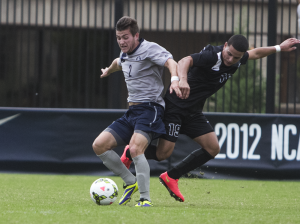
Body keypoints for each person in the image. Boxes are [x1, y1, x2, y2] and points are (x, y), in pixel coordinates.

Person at [120, 35, 300, 202]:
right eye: (229, 54)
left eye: (236, 57)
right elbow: (184, 61)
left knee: (213, 148)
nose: (230, 59)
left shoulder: (238, 58)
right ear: (225, 46)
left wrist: (279, 48)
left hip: (193, 112)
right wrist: (182, 80)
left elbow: (255, 53)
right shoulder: (211, 56)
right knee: (162, 154)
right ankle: (130, 152)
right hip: (175, 107)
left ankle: (171, 176)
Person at [92, 16, 182, 207]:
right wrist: (108, 70)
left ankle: (145, 199)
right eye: (118, 38)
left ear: (136, 36)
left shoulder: (149, 48)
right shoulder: (124, 53)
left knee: (135, 149)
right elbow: (119, 62)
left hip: (151, 109)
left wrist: (174, 79)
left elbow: (171, 62)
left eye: (125, 37)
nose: (121, 42)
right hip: (132, 112)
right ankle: (130, 182)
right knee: (99, 145)